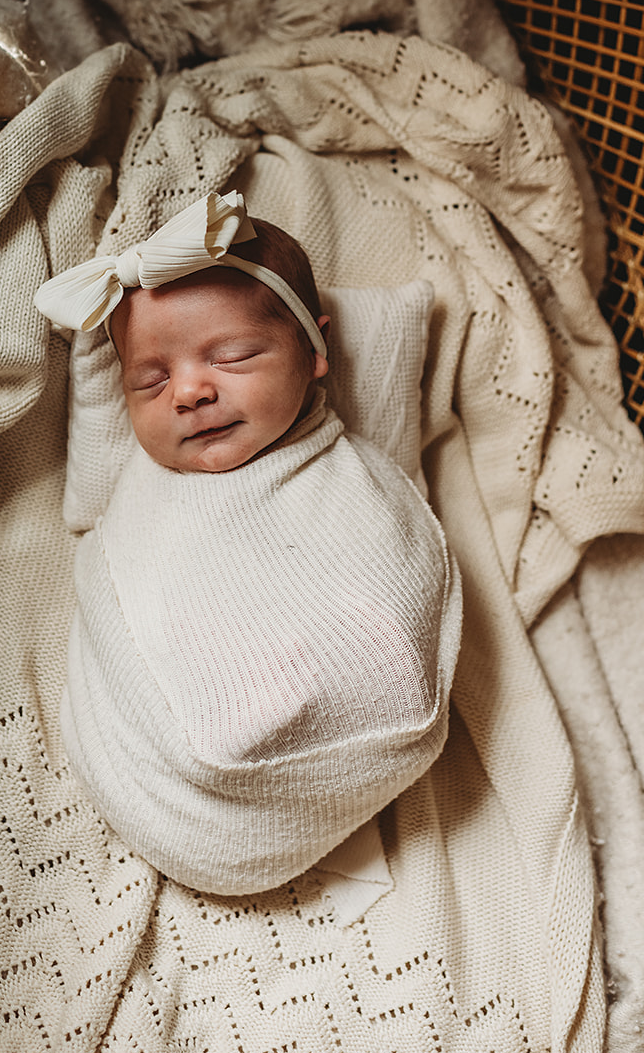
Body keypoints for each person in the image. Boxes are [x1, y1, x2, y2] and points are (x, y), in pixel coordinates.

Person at [34, 191, 462, 895]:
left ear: (315, 351)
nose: (188, 393)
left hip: (354, 716)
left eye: (230, 356)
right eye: (151, 380)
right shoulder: (137, 480)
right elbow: (98, 530)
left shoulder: (355, 473)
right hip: (180, 774)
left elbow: (396, 571)